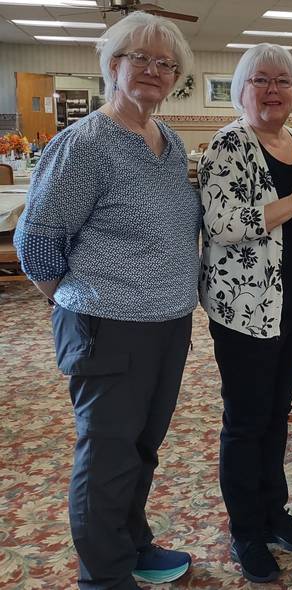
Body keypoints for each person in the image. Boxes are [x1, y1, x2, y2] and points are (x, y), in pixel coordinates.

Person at [13, 12, 197, 590]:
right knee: (108, 455)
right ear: (112, 65)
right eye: (139, 58)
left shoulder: (170, 143)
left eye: (165, 63)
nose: (153, 71)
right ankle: (104, 577)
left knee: (142, 449)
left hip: (168, 322)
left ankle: (133, 546)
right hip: (106, 324)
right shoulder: (85, 142)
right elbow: (36, 238)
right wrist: (67, 298)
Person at [198, 44, 292, 583]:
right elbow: (223, 224)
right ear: (241, 89)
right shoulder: (228, 144)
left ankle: (273, 510)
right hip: (246, 309)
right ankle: (246, 530)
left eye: (283, 80)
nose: (273, 90)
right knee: (246, 421)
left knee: (278, 413)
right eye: (261, 80)